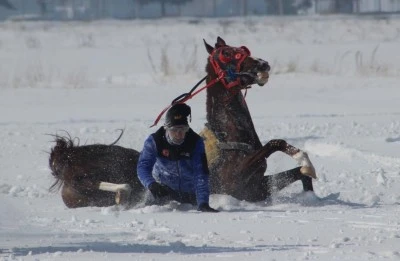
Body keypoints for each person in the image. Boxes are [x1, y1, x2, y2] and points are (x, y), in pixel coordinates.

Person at [137, 103, 218, 212]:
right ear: (166, 129)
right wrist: (151, 184)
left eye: (183, 129)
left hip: (190, 193)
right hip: (162, 190)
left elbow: (201, 174)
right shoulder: (154, 141)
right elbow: (143, 167)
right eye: (174, 130)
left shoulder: (195, 142)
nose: (179, 134)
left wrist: (203, 203)